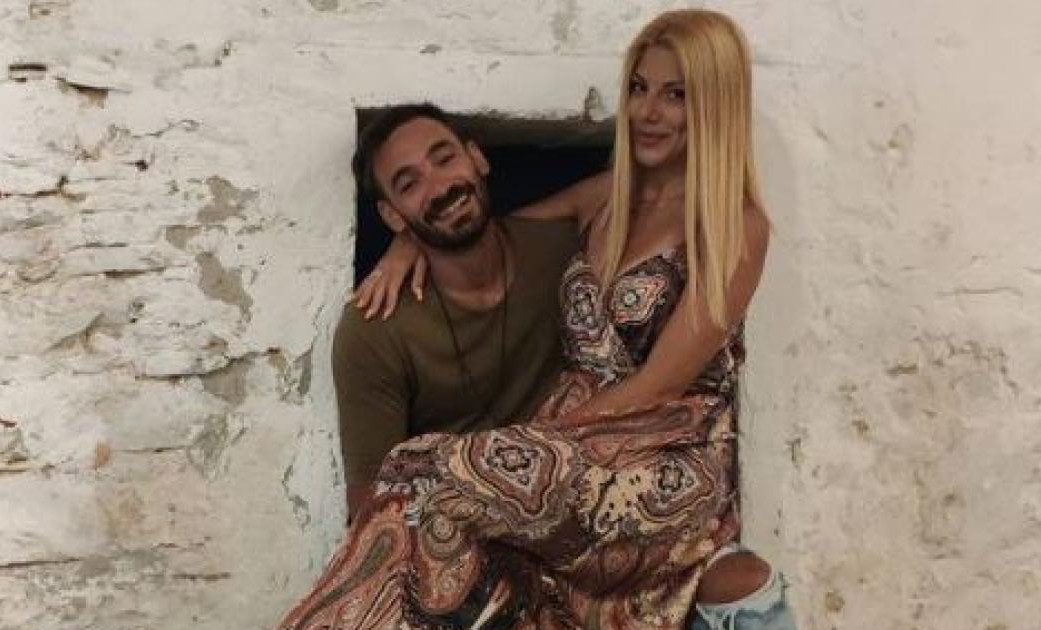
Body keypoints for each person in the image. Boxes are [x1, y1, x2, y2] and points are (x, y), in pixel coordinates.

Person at [281, 9, 794, 629]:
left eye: (675, 95)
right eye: (638, 89)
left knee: (424, 470)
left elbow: (661, 384)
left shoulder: (735, 225)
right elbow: (484, 229)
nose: (648, 112)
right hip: (571, 457)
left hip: (662, 447)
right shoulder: (606, 197)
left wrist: (533, 441)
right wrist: (408, 241)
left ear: (714, 102)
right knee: (421, 497)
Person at [332, 103, 581, 519]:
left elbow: (644, 188)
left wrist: (410, 240)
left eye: (445, 159)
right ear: (392, 215)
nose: (439, 187)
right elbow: (368, 500)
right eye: (409, 184)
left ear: (477, 157)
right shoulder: (374, 327)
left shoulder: (558, 249)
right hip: (459, 525)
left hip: (573, 494)